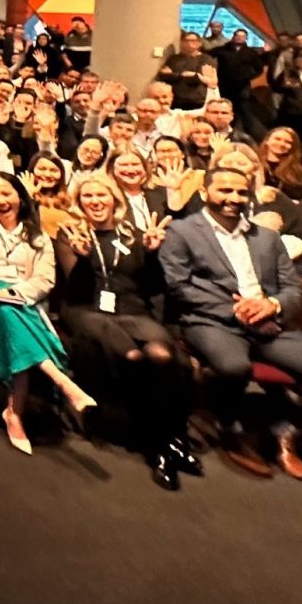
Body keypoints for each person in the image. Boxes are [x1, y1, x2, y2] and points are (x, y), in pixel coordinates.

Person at [159, 166, 302, 479]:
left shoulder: (266, 237)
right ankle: (230, 427)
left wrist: (272, 304)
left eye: (241, 191)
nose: (233, 198)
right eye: (225, 190)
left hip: (269, 324)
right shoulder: (182, 231)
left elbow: (293, 289)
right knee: (233, 368)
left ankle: (287, 429)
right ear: (204, 193)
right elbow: (178, 286)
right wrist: (235, 309)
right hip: (210, 320)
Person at [0, 142, 96, 455]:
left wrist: (14, 293)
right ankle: (61, 384)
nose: (0, 200)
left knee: (12, 318)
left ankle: (14, 413)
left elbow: (45, 280)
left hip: (18, 304)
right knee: (9, 315)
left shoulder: (37, 235)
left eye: (6, 193)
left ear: (20, 197)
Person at [54, 172, 196, 489]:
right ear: (79, 203)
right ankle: (164, 447)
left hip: (131, 310)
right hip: (86, 310)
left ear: (114, 199)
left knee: (161, 355)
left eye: (101, 195)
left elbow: (152, 286)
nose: (95, 201)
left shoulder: (134, 234)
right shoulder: (71, 233)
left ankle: (169, 438)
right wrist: (82, 257)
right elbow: (74, 287)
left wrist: (154, 254)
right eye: (87, 196)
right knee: (131, 354)